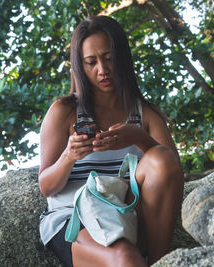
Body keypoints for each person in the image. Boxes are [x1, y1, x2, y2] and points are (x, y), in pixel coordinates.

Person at [38, 15, 184, 267]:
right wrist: (69, 157)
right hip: (75, 218)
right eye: (91, 62)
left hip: (127, 213)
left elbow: (171, 171)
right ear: (79, 66)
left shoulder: (144, 113)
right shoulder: (64, 111)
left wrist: (138, 138)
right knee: (125, 260)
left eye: (109, 58)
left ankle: (160, 262)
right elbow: (46, 186)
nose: (102, 70)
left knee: (160, 156)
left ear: (123, 58)